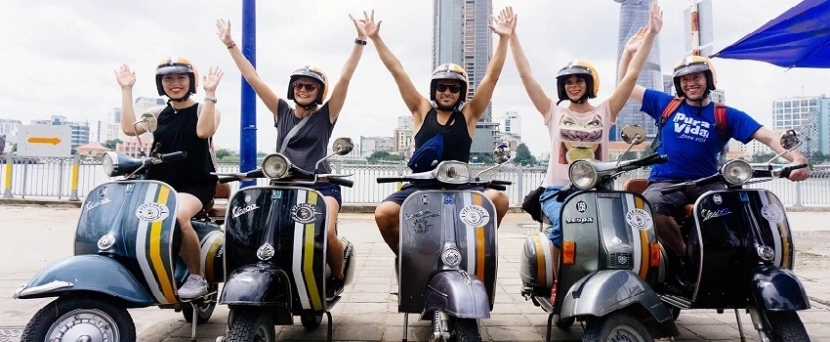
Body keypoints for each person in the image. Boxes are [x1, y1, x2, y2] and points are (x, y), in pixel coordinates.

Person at [619, 20, 811, 289]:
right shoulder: (666, 104)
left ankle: (745, 259)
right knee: (651, 207)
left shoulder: (725, 114)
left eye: (696, 77)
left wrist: (796, 159)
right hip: (667, 182)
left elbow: (768, 136)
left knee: (741, 208)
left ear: (708, 80)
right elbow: (625, 85)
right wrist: (629, 53)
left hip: (708, 181)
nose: (691, 83)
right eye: (685, 79)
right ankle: (687, 256)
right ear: (678, 84)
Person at [508, 3, 662, 302]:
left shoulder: (606, 111)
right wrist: (512, 35)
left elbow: (630, 77)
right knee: (561, 232)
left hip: (600, 191)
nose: (574, 85)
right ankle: (558, 282)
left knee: (629, 238)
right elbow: (527, 76)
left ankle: (629, 288)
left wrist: (652, 35)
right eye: (568, 82)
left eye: (579, 80)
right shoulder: (553, 112)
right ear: (562, 87)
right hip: (558, 191)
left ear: (589, 83)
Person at [216, 13, 367, 298]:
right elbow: (252, 77)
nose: (303, 89)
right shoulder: (281, 110)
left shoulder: (326, 116)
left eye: (310, 86)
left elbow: (345, 78)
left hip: (320, 185)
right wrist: (230, 44)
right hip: (282, 186)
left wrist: (360, 41)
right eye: (298, 85)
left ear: (320, 91)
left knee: (327, 233)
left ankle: (335, 279)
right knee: (258, 232)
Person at [363, 9, 513, 255]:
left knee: (499, 200)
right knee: (384, 213)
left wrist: (504, 39)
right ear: (434, 90)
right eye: (442, 86)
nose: (447, 92)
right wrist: (376, 38)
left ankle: (478, 250)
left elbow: (492, 78)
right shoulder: (421, 111)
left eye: (454, 88)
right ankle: (409, 259)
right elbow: (397, 71)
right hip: (421, 185)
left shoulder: (469, 115)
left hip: (460, 185)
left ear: (461, 93)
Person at [115, 57, 224, 299]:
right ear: (160, 83)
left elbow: (204, 131)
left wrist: (210, 93)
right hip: (159, 184)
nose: (175, 83)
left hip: (195, 184)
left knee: (176, 215)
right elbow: (128, 128)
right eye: (168, 78)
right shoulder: (157, 113)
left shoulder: (206, 108)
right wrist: (126, 89)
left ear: (191, 81)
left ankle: (197, 277)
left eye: (181, 78)